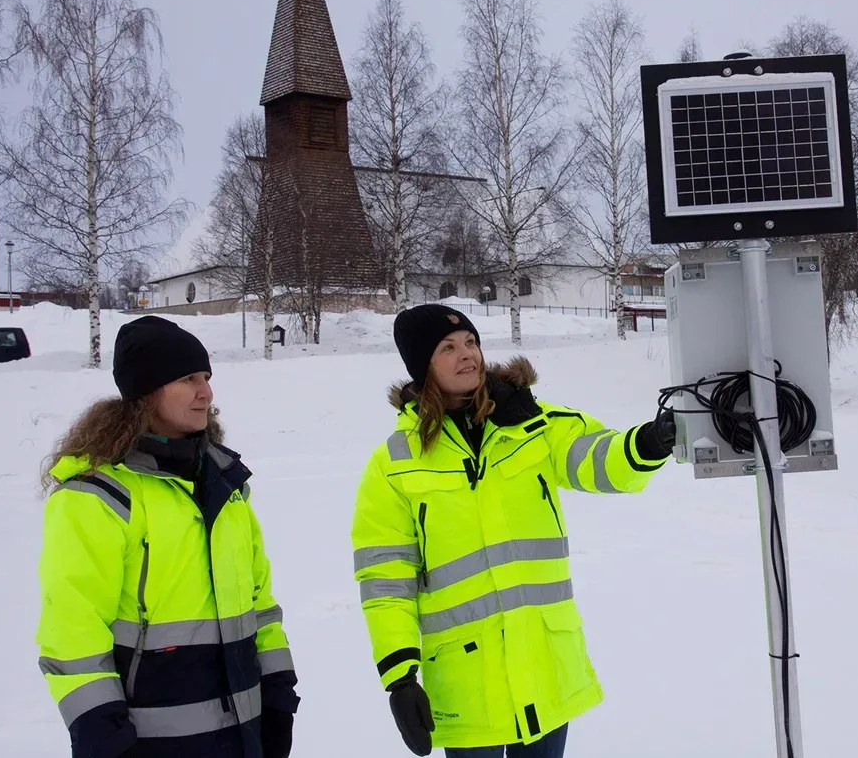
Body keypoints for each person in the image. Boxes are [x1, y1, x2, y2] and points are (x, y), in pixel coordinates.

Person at [351, 304, 676, 757]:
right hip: (468, 683)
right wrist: (399, 675)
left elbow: (595, 458)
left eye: (471, 342)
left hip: (544, 663)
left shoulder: (534, 424)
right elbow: (385, 580)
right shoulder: (395, 464)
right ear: (422, 367)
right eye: (447, 348)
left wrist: (646, 442)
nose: (467, 355)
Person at [35, 316, 300, 758]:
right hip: (151, 739)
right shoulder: (97, 495)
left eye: (207, 377)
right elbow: (72, 627)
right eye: (188, 379)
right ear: (145, 392)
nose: (206, 392)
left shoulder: (224, 485)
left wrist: (278, 692)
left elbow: (260, 606)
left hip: (245, 729)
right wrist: (100, 729)